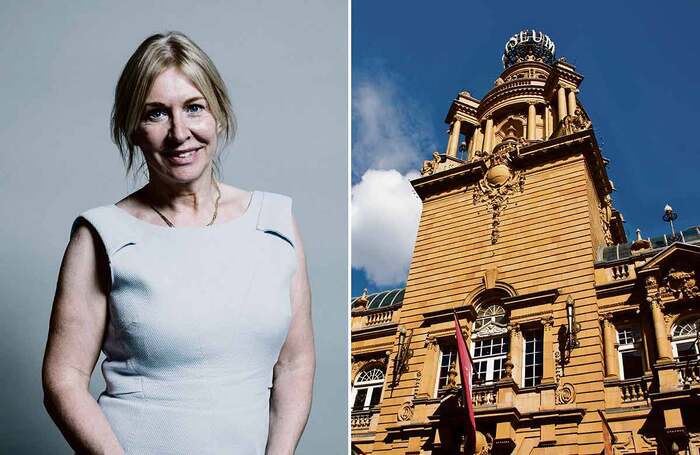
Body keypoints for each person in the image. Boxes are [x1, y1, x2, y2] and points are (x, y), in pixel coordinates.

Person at [41, 31, 314, 454]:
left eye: (194, 108)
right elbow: (64, 378)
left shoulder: (276, 221)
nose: (179, 132)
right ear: (133, 129)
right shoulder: (100, 234)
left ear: (218, 115)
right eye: (156, 114)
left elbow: (295, 365)